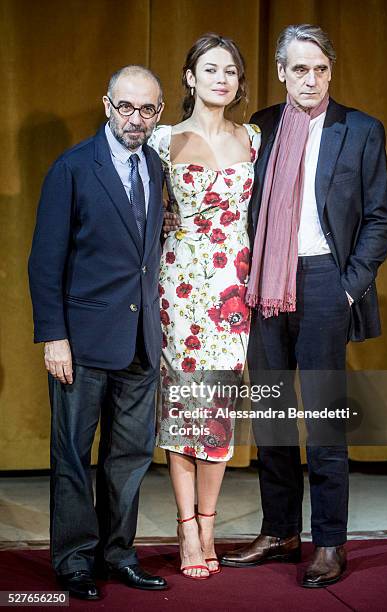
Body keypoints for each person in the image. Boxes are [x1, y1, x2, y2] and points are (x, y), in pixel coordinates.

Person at [220, 24, 387, 587]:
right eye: (300, 69)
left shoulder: (361, 129)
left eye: (320, 68)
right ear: (281, 72)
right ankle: (279, 531)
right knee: (272, 412)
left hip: (325, 282)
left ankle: (329, 542)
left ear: (330, 70)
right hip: (266, 281)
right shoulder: (262, 128)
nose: (312, 79)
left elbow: (379, 218)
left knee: (323, 419)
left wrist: (348, 286)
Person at [28, 65, 168, 600]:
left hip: (139, 341)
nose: (136, 118)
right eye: (126, 107)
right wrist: (53, 337)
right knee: (72, 455)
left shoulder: (155, 166)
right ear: (106, 105)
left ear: (158, 113)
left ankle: (118, 555)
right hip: (81, 342)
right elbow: (45, 261)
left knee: (129, 457)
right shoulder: (72, 169)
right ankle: (73, 561)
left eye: (148, 109)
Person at [148, 33, 261, 579]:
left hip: (232, 292)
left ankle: (209, 523)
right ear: (189, 77)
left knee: (216, 412)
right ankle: (185, 526)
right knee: (184, 408)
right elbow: (135, 206)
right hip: (179, 290)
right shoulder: (162, 140)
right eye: (210, 69)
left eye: (231, 71)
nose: (222, 78)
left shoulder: (254, 138)